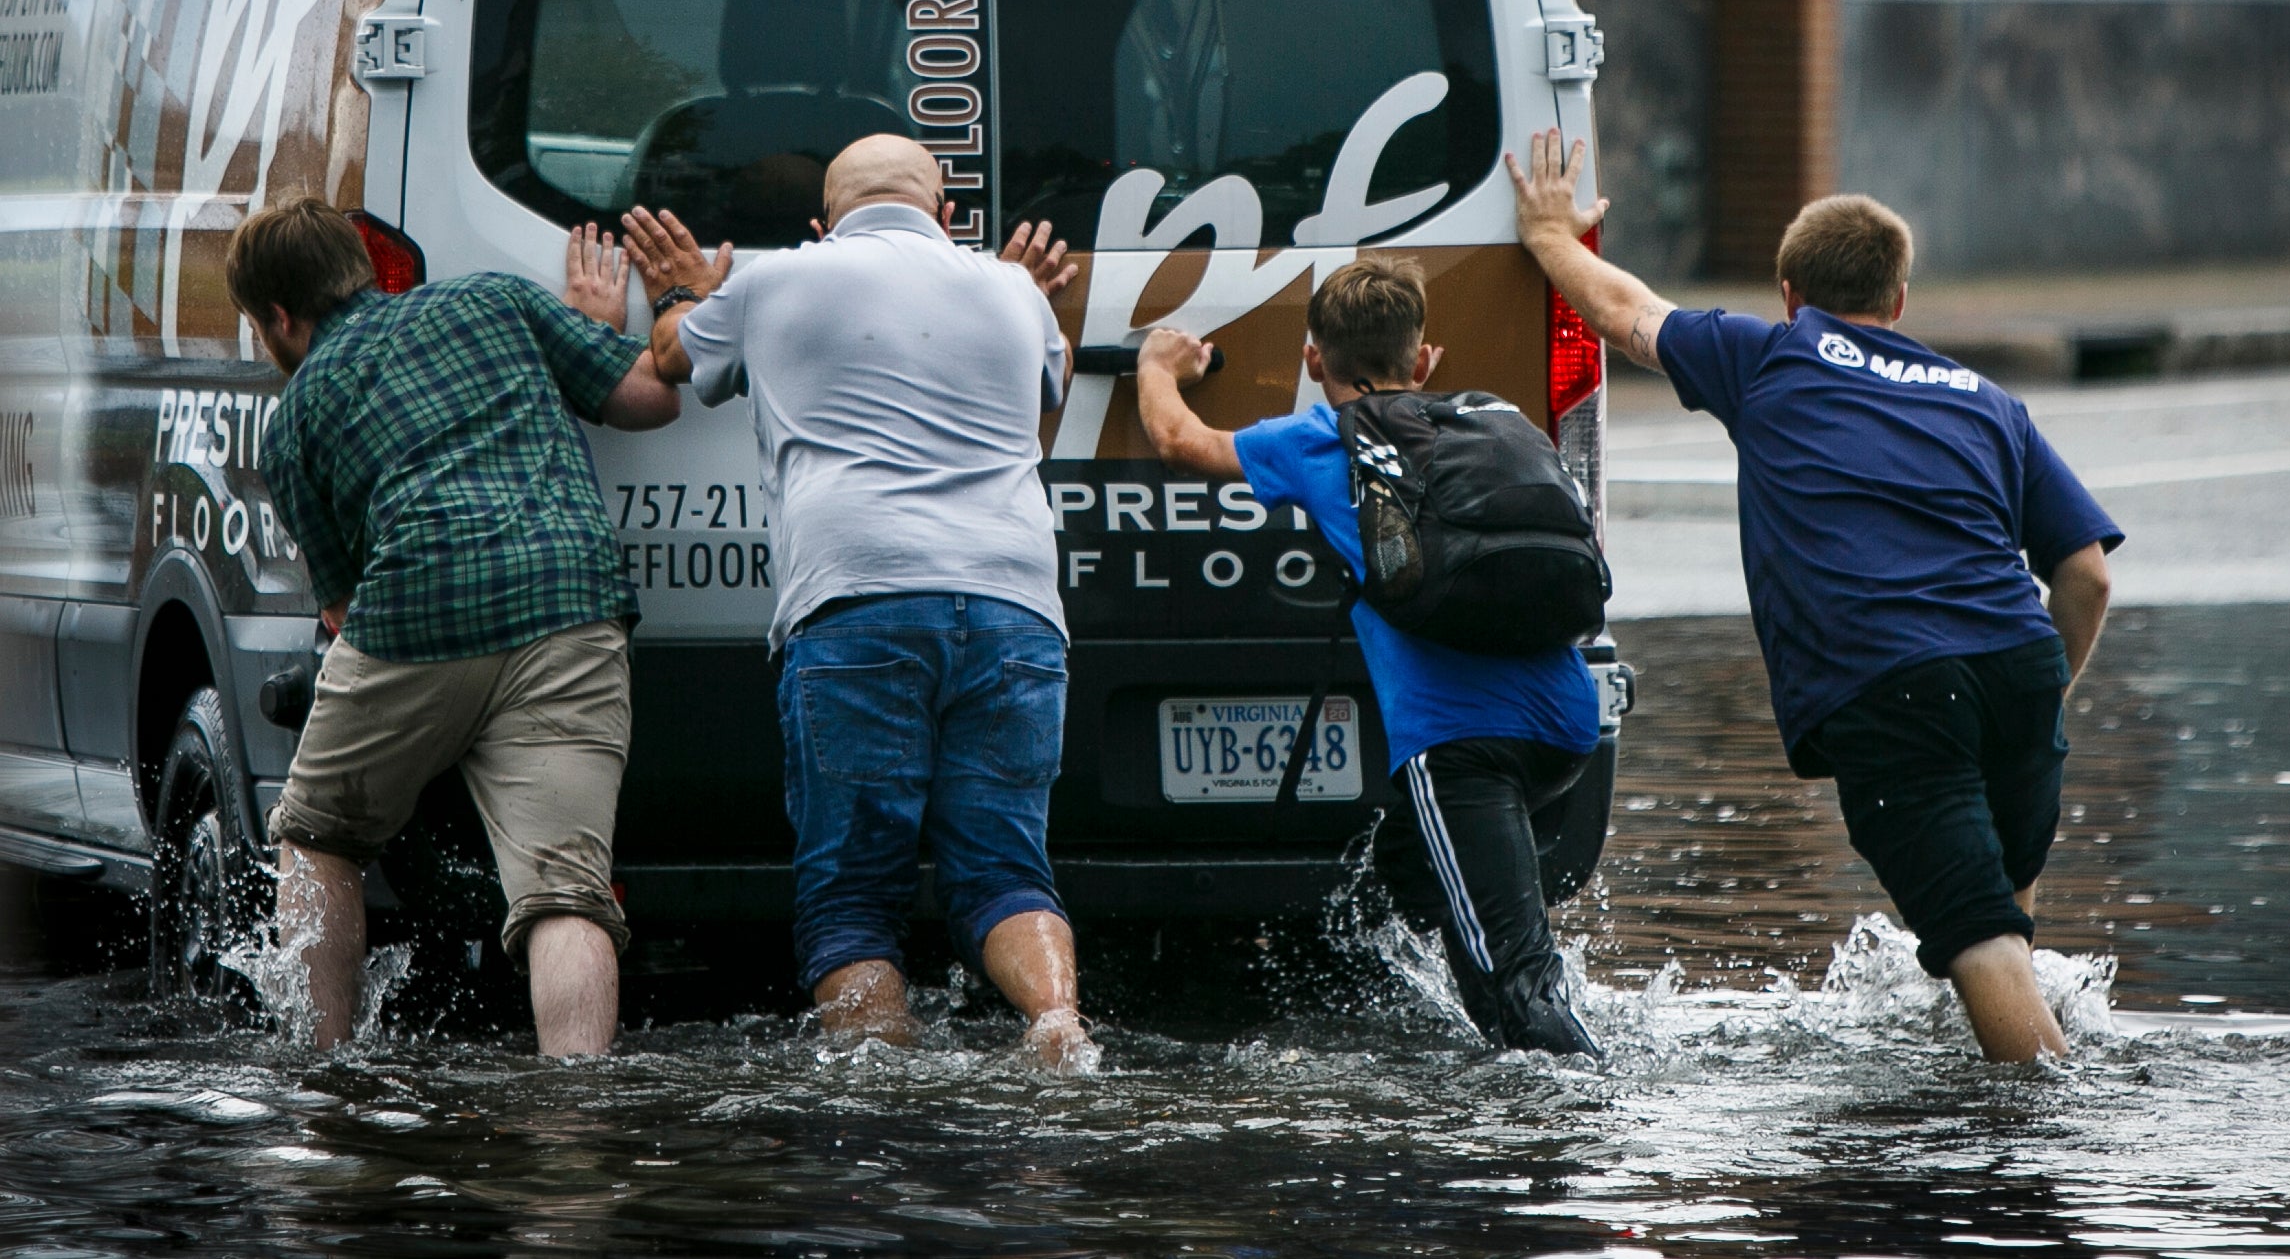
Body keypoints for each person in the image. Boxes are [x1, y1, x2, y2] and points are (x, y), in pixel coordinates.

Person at [1508, 133, 2120, 1062]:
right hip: (2019, 663)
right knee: (2004, 908)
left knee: (1977, 939)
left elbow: (1622, 308)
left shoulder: (1770, 356)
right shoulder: (1985, 398)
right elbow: (2086, 574)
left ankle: (2043, 1146)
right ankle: (2007, 1099)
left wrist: (1551, 234)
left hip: (1894, 681)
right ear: (1899, 299)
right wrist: (2042, 696)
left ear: (1789, 294)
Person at [619, 136, 1093, 1067]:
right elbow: (1046, 399)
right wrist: (1008, 291)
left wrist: (681, 290)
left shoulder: (783, 278)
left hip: (855, 598)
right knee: (1004, 868)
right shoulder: (1012, 291)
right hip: (1013, 604)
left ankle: (876, 1105)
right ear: (946, 213)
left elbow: (672, 358)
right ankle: (1056, 1023)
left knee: (851, 896)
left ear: (822, 222)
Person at [230, 198, 683, 1055]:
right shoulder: (494, 301)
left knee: (317, 833)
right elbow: (650, 397)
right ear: (359, 269)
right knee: (564, 892)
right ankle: (575, 1116)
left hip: (412, 618)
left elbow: (340, 610)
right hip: (569, 603)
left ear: (279, 319)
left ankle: (323, 1074)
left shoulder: (291, 423)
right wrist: (600, 329)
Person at [1135, 258, 1604, 1056]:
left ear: (1314, 360)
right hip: (1567, 727)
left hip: (1461, 749)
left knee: (1520, 974)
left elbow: (1180, 441)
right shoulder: (1490, 420)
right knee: (1411, 873)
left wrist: (1156, 363)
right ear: (1423, 361)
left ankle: (1580, 1123)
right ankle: (1496, 1068)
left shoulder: (1319, 439)